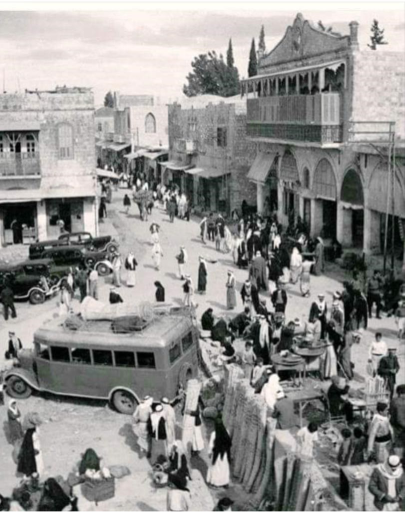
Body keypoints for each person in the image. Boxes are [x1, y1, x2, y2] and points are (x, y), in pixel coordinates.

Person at [206, 416, 232, 488]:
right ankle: (224, 482)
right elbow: (229, 443)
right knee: (224, 468)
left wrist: (209, 453)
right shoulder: (227, 431)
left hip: (216, 455)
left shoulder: (214, 434)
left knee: (216, 469)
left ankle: (216, 483)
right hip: (225, 454)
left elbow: (211, 445)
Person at [17, 412, 43, 478]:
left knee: (29, 461)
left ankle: (29, 473)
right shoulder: (34, 431)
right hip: (33, 448)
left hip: (30, 448)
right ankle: (34, 473)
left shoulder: (29, 431)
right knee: (34, 461)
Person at [391, 384, 405, 459]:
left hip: (394, 427)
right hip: (401, 430)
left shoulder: (394, 400)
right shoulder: (401, 403)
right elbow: (400, 420)